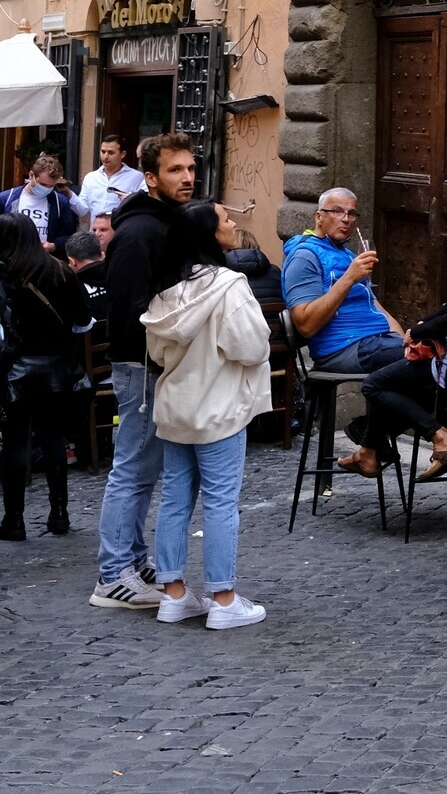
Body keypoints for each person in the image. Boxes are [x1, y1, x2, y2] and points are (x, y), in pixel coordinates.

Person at [141, 200, 271, 630]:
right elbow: (251, 346)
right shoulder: (229, 286)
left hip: (176, 407)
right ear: (210, 234)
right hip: (218, 409)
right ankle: (223, 598)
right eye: (226, 219)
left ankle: (173, 594)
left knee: (176, 500)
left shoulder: (166, 289)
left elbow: (159, 352)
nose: (234, 223)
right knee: (220, 503)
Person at [91, 130, 196, 610]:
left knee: (144, 468)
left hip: (157, 363)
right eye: (176, 170)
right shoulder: (138, 233)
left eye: (191, 168)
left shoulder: (166, 222)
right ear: (151, 178)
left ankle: (131, 561)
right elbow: (130, 308)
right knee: (131, 468)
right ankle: (112, 575)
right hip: (141, 363)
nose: (187, 177)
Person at [351, 188, 447, 486]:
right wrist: (422, 325)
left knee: (376, 385)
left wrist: (424, 330)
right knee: (401, 390)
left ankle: (432, 439)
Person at [0, 213, 91, 539]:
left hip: (16, 370)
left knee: (15, 443)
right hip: (57, 369)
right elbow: (83, 319)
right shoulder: (60, 271)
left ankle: (13, 520)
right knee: (53, 438)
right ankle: (59, 514)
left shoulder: (5, 275)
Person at [282, 188, 404, 381]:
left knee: (428, 351)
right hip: (341, 347)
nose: (346, 219)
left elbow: (377, 309)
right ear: (319, 216)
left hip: (376, 341)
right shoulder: (304, 257)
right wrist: (349, 278)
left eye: (351, 213)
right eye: (337, 211)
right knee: (423, 360)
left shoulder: (348, 255)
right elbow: (306, 325)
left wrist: (404, 341)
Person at [2, 153, 85, 252]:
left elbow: (68, 235)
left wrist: (54, 245)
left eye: (51, 186)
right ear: (31, 175)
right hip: (12, 258)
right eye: (43, 184)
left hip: (44, 260)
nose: (46, 189)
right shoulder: (6, 199)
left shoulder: (60, 202)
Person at [78, 134, 146, 219]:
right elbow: (82, 210)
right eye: (103, 152)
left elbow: (142, 208)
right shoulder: (91, 177)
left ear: (123, 154)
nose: (105, 156)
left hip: (121, 229)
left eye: (111, 152)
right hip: (96, 230)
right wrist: (69, 194)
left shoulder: (137, 177)